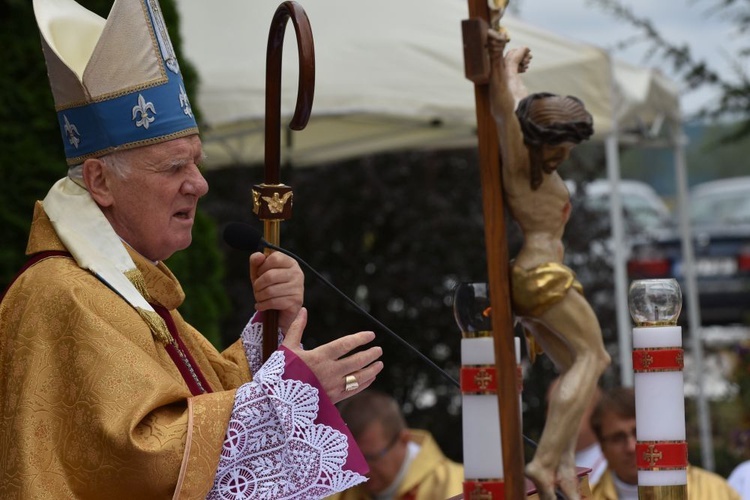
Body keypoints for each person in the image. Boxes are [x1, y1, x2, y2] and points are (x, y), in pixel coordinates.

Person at [0, 0, 384, 498]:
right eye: (173, 168)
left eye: (196, 164)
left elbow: (207, 392)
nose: (199, 185)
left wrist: (271, 325)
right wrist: (287, 397)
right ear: (100, 181)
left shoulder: (128, 289)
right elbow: (138, 462)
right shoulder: (63, 294)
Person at [486, 20, 611, 500]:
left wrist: (511, 65)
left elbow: (517, 106)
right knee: (594, 356)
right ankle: (544, 461)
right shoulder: (523, 165)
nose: (562, 155)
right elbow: (503, 113)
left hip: (541, 277)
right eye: (558, 145)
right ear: (540, 140)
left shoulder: (536, 157)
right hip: (541, 277)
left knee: (572, 369)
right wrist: (497, 65)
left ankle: (560, 470)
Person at [589, 386, 741, 500]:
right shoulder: (584, 497)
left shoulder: (715, 492)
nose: (631, 447)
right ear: (602, 447)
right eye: (617, 438)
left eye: (639, 433)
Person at [325, 390, 463, 500]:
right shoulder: (336, 491)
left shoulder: (461, 485)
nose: (359, 471)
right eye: (351, 461)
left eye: (371, 458)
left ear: (404, 439)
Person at [548, 378, 608, 487]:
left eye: (569, 405)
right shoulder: (545, 469)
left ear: (596, 410)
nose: (558, 415)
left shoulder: (618, 465)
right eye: (552, 407)